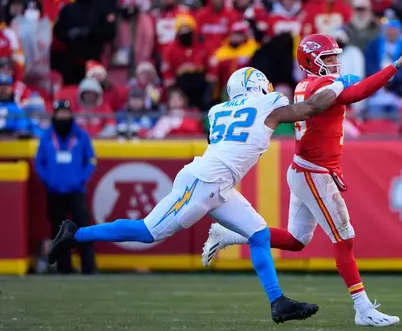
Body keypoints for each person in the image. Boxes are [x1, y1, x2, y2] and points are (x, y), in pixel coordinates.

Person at [49, 67, 360, 323]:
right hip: (203, 182)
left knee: (259, 233)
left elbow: (230, 133)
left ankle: (278, 302)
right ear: (257, 84)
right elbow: (313, 108)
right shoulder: (268, 103)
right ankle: (75, 234)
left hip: (219, 184)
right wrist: (337, 85)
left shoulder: (217, 110)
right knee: (148, 231)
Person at [203, 35, 402, 327]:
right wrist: (394, 66)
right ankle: (363, 308)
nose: (334, 62)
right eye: (328, 58)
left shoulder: (305, 84)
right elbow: (357, 93)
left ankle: (228, 234)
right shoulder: (321, 86)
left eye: (334, 57)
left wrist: (343, 80)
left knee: (296, 241)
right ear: (311, 61)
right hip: (314, 172)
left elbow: (345, 89)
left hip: (304, 168)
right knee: (344, 238)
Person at [36, 99, 97, 274]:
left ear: (71, 114)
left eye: (65, 113)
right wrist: (47, 180)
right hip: (55, 191)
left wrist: (82, 179)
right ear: (54, 115)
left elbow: (91, 159)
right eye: (59, 113)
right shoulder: (47, 136)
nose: (62, 116)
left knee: (83, 228)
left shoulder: (80, 135)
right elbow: (40, 162)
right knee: (58, 230)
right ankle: (64, 268)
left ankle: (89, 267)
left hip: (76, 190)